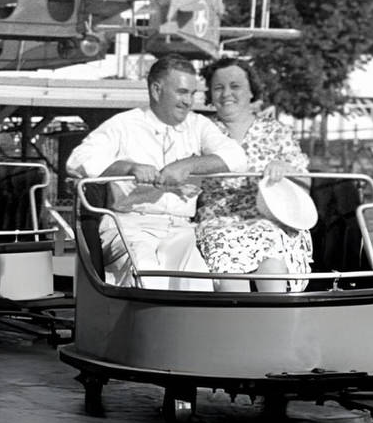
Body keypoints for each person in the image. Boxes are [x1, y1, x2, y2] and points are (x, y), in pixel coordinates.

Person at [66, 54, 247, 290]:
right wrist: (129, 167)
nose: (188, 102)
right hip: (130, 225)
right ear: (156, 90)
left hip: (181, 228)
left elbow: (237, 158)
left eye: (192, 94)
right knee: (145, 273)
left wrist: (187, 165)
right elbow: (77, 160)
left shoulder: (199, 125)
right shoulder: (124, 124)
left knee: (197, 281)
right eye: (182, 92)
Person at [193, 57, 313, 293]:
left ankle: (277, 320)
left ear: (251, 92)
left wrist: (284, 169)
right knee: (227, 268)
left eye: (235, 86)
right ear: (210, 94)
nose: (226, 93)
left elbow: (304, 186)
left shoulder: (276, 131)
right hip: (218, 222)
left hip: (273, 221)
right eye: (219, 87)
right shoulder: (200, 130)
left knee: (271, 258)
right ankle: (236, 322)